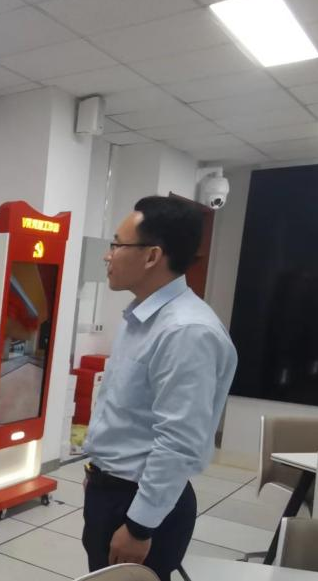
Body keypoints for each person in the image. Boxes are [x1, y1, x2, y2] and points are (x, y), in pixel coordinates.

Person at [82, 196, 238, 580]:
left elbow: (179, 440)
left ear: (152, 256)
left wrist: (139, 526)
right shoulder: (142, 317)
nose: (107, 255)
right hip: (112, 489)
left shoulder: (186, 331)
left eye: (117, 244)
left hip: (139, 505)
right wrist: (99, 470)